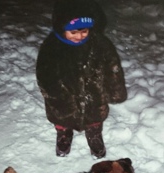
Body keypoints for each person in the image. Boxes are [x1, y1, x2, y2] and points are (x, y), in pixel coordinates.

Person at [36, 0, 127, 159]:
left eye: (84, 31)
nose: (79, 36)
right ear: (61, 28)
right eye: (73, 32)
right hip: (64, 99)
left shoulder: (100, 44)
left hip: (94, 95)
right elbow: (46, 77)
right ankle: (64, 135)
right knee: (63, 119)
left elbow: (112, 68)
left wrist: (115, 90)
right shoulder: (52, 48)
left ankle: (94, 135)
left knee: (94, 119)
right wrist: (59, 99)